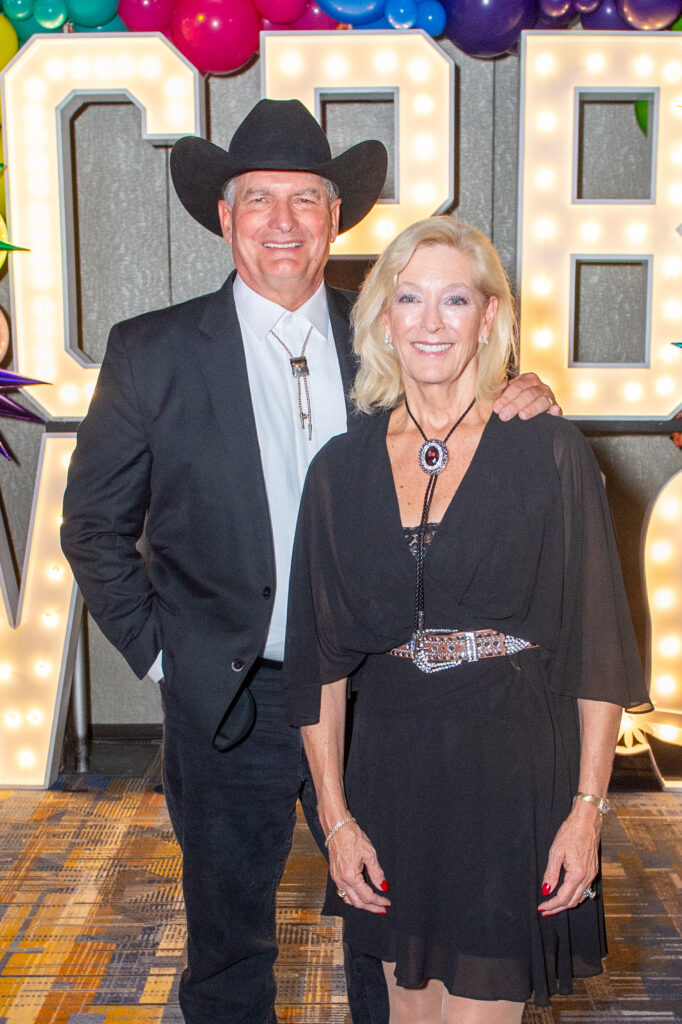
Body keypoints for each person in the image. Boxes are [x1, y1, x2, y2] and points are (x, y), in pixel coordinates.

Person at [60, 100, 559, 1024]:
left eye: (304, 199)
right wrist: (169, 656)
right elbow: (90, 527)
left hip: (382, 700)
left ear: (338, 218)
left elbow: (472, 416)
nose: (281, 222)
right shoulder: (152, 353)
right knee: (229, 946)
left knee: (392, 936)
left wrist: (524, 388)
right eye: (258, 200)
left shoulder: (388, 338)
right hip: (227, 706)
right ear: (225, 217)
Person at [285, 216, 652, 1024]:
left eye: (455, 299)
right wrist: (337, 820)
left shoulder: (547, 450)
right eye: (409, 298)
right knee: (405, 1009)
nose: (430, 321)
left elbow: (594, 644)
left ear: (489, 318)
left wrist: (588, 810)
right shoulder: (339, 471)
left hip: (510, 768)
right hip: (391, 775)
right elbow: (318, 666)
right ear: (382, 318)